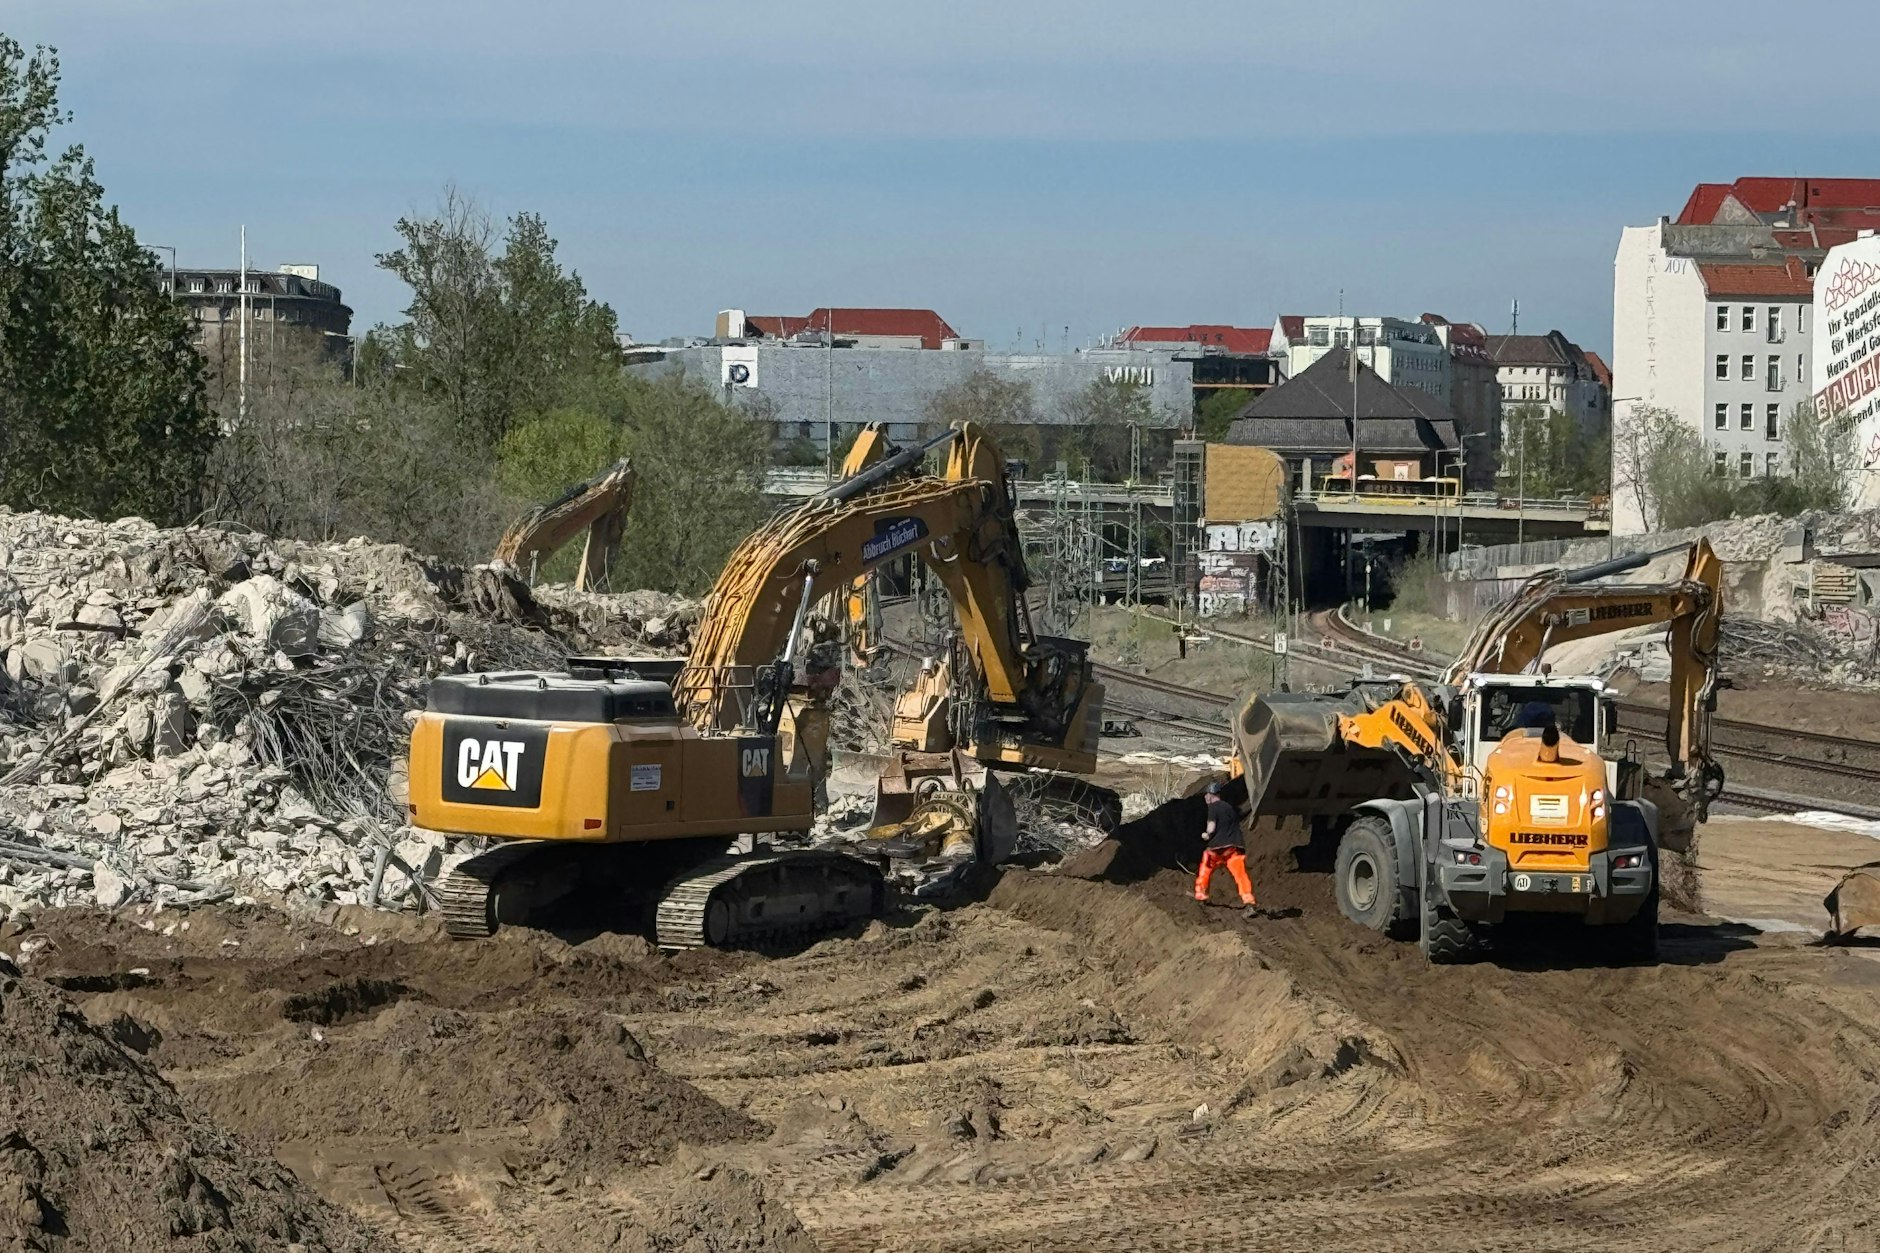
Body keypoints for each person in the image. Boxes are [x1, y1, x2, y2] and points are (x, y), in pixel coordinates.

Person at [1196, 781, 1257, 914]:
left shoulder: (1213, 807)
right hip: (1235, 847)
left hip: (1217, 847)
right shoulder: (1229, 808)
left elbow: (1211, 828)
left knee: (1205, 867)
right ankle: (1249, 902)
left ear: (1210, 795)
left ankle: (1200, 895)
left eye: (1206, 795)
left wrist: (1206, 835)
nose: (1205, 798)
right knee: (1241, 875)